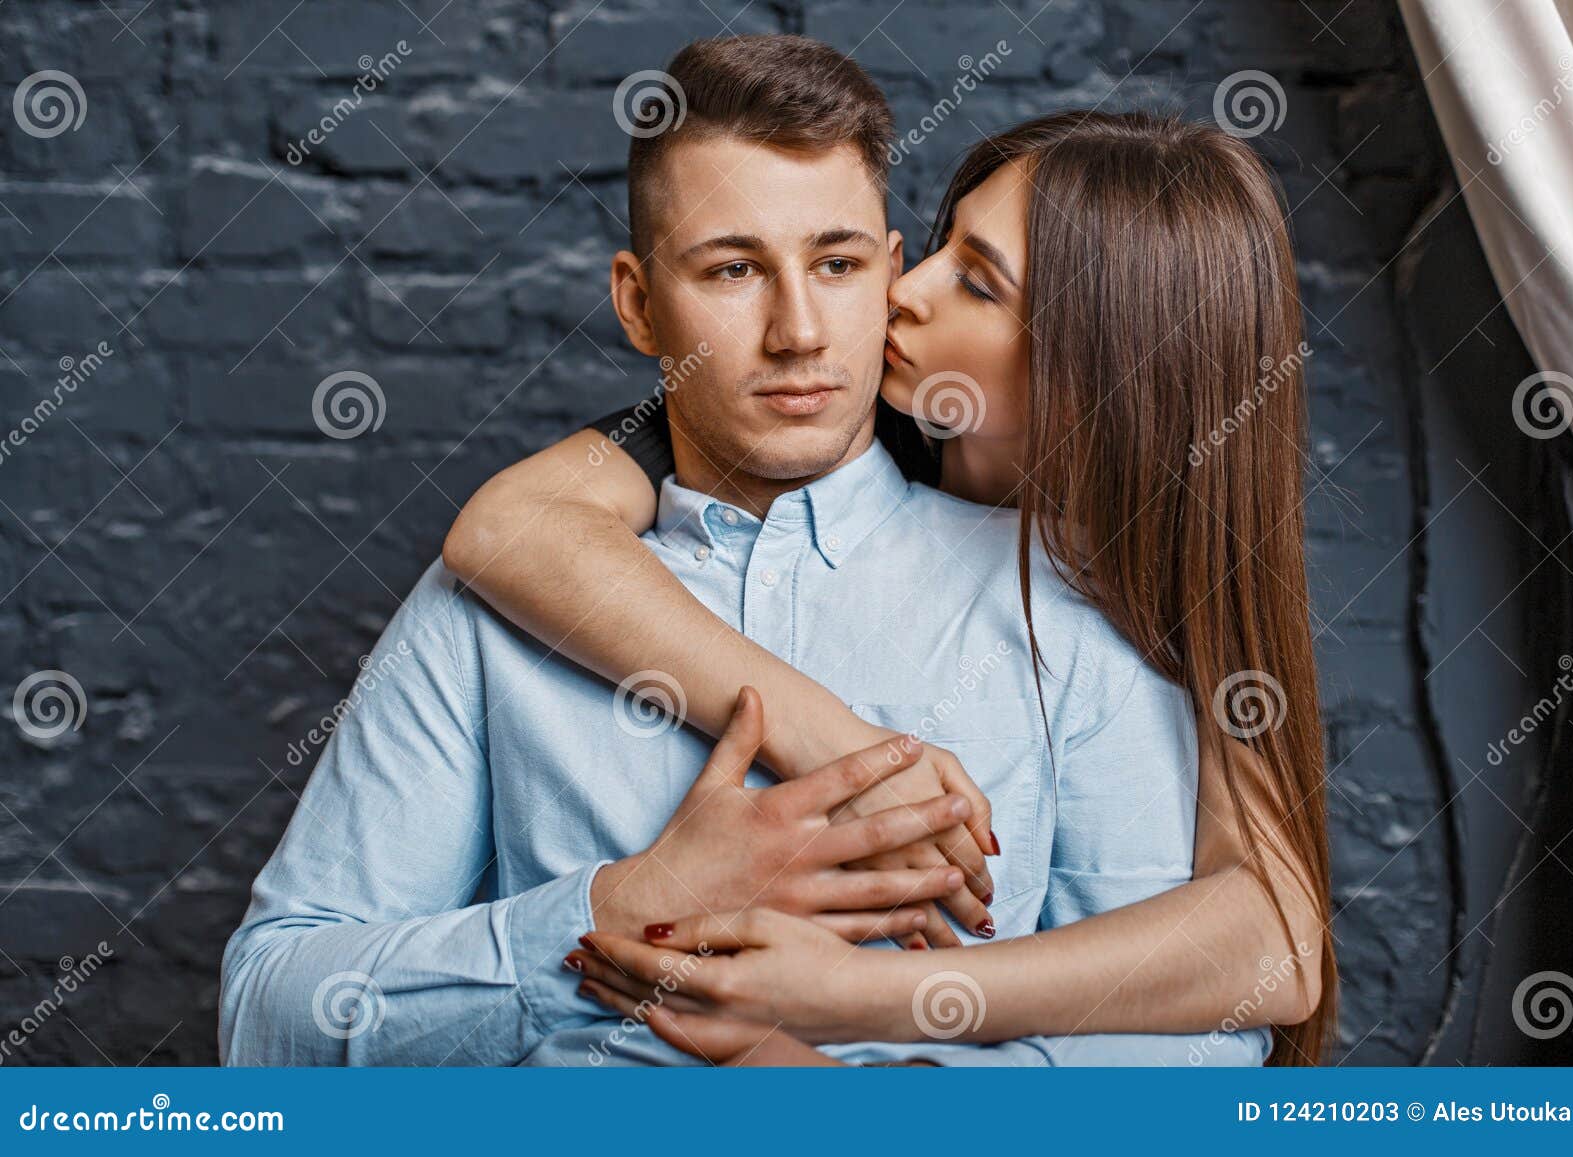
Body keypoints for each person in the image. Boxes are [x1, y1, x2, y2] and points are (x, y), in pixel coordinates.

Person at [219, 34, 1317, 1067]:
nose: (805, 328)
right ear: (638, 304)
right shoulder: (508, 595)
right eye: (733, 271)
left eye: (840, 264)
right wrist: (618, 908)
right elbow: (269, 1015)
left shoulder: (1076, 605)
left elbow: (1206, 1030)